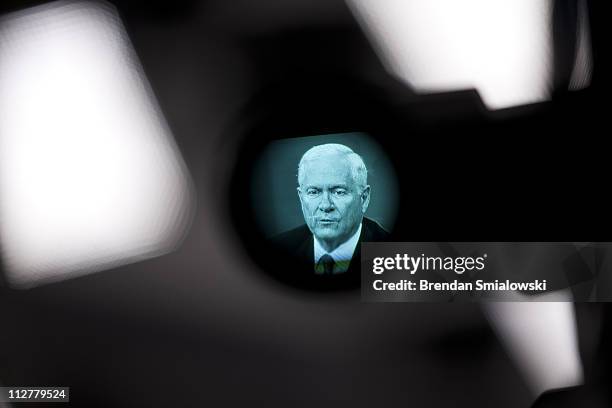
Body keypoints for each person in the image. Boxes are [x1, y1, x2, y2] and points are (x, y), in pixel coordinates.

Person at [272, 143, 389, 288]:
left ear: (364, 198)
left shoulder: (396, 255)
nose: (325, 206)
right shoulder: (275, 252)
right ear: (301, 199)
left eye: (339, 192)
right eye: (314, 192)